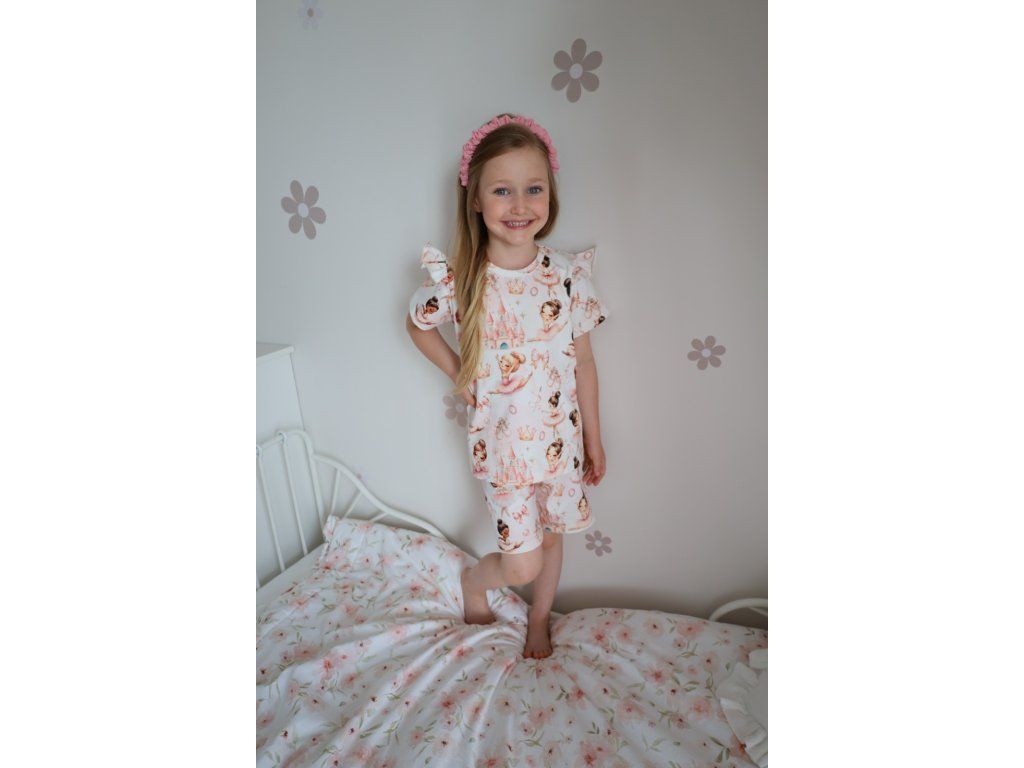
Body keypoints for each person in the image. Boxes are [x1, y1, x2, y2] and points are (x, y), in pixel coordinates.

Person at [405, 112, 610, 659]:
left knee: (552, 537)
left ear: (550, 194)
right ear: (475, 199)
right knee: (522, 562)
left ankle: (540, 617)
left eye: (533, 189)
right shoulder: (464, 279)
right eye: (502, 190)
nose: (520, 205)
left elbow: (584, 363)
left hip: (561, 447)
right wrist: (459, 372)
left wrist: (593, 438)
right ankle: (475, 583)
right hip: (504, 451)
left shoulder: (566, 275)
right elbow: (417, 325)